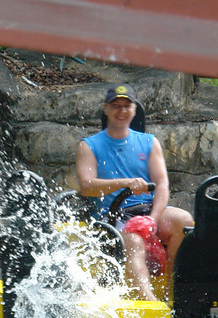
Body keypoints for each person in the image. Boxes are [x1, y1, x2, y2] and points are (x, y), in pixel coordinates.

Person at [76, 84, 194, 302]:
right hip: (113, 215)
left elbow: (162, 185)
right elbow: (87, 186)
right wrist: (125, 183)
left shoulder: (150, 142)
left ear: (134, 110)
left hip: (149, 210)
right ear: (106, 109)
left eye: (126, 106)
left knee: (184, 220)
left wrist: (153, 220)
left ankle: (173, 295)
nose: (121, 111)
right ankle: (148, 301)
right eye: (116, 106)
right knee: (134, 240)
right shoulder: (89, 145)